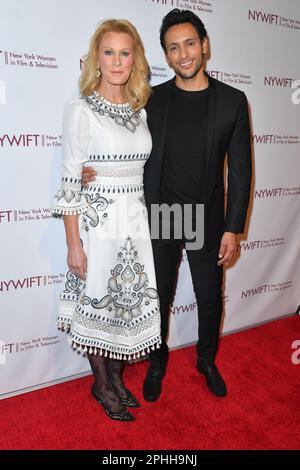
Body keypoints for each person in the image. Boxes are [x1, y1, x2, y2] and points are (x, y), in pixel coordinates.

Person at [82, 9, 252, 402]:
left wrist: (233, 227)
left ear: (204, 46)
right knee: (158, 298)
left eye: (190, 43)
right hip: (158, 218)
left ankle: (206, 361)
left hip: (206, 219)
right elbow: (117, 139)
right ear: (166, 55)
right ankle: (157, 363)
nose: (184, 54)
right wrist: (89, 171)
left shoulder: (232, 102)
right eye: (173, 48)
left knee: (209, 298)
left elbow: (240, 171)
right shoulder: (151, 100)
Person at [52, 19, 161, 421]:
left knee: (124, 305)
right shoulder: (80, 110)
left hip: (133, 223)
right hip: (97, 226)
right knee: (100, 299)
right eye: (109, 52)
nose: (117, 61)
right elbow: (68, 182)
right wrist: (73, 243)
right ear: (96, 58)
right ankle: (101, 384)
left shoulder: (141, 112)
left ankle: (117, 380)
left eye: (125, 52)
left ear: (135, 59)